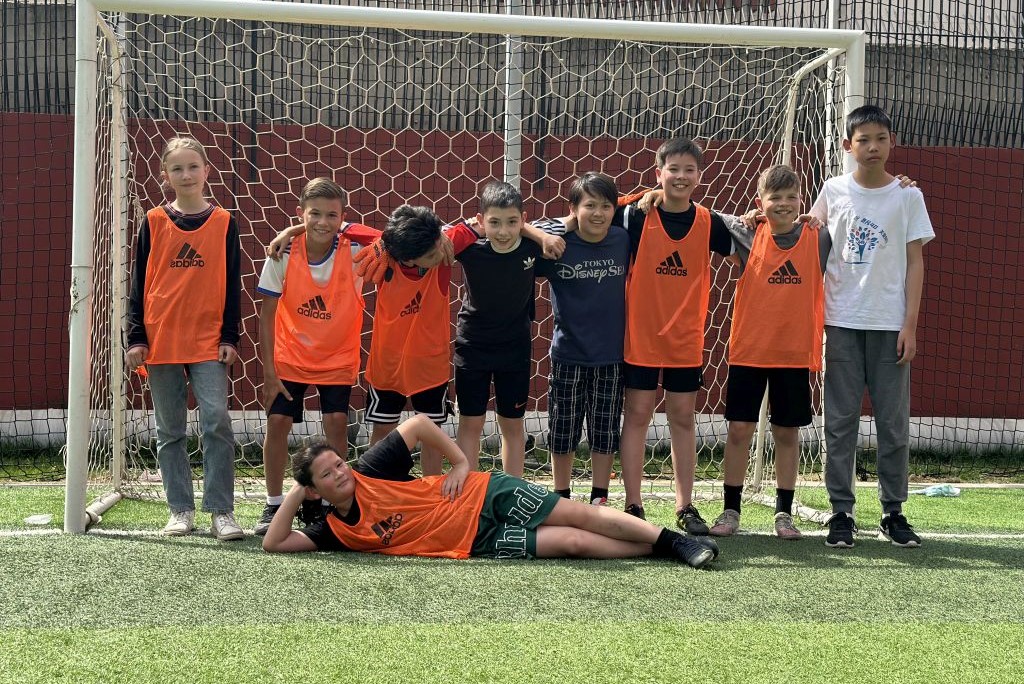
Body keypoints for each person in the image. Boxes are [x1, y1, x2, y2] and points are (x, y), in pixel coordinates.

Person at [261, 414, 720, 568]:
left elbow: (417, 424)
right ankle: (660, 548)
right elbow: (274, 543)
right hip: (476, 541)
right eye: (327, 475)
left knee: (578, 515)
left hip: (480, 494)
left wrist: (461, 462)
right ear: (315, 491)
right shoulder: (333, 532)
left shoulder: (370, 470)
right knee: (573, 543)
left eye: (338, 464)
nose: (341, 474)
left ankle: (674, 541)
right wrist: (297, 491)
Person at [810, 104, 934, 548]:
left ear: (892, 142)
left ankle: (892, 511)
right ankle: (841, 511)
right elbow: (808, 244)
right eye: (863, 139)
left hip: (889, 326)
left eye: (881, 138)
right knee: (839, 423)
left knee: (893, 425)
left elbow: (916, 263)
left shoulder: (908, 197)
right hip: (841, 323)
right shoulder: (832, 190)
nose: (873, 146)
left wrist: (910, 325)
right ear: (849, 145)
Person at [615, 138, 739, 531]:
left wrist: (757, 217)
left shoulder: (709, 222)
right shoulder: (636, 215)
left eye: (689, 170)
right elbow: (595, 206)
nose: (681, 176)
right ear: (659, 173)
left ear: (699, 176)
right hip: (641, 334)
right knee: (637, 414)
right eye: (673, 169)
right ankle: (633, 504)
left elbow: (748, 244)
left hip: (685, 338)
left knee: (682, 417)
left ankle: (685, 507)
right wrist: (643, 195)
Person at [125, 136, 243, 541]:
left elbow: (232, 283)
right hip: (161, 340)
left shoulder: (225, 222)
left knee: (216, 421)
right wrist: (136, 337)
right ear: (165, 176)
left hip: (208, 340)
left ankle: (221, 511)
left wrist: (230, 335)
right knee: (170, 430)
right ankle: (180, 509)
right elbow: (138, 283)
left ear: (207, 171)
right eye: (177, 168)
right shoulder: (153, 220)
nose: (186, 174)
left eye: (193, 166)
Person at [707, 165, 827, 540]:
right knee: (740, 430)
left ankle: (784, 513)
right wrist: (655, 195)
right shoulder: (748, 232)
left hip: (793, 354)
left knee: (786, 434)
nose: (784, 204)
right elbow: (705, 216)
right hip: (749, 351)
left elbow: (856, 216)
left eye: (792, 197)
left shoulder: (818, 236)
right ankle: (731, 509)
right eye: (775, 198)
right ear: (761, 202)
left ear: (802, 200)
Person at [254, 178, 376, 535]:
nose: (323, 222)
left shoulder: (355, 250)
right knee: (278, 423)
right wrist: (269, 372)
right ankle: (273, 503)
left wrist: (294, 228)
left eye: (332, 215)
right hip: (290, 355)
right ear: (300, 213)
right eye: (314, 214)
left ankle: (330, 506)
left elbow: (386, 238)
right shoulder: (282, 253)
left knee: (336, 423)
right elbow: (266, 314)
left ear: (343, 217)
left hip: (337, 356)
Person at [531, 172, 630, 507]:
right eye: (589, 206)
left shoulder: (622, 240)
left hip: (611, 355)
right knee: (563, 428)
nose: (598, 213)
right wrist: (565, 227)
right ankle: (561, 496)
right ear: (573, 209)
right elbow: (525, 229)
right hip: (568, 354)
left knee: (605, 428)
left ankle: (600, 496)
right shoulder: (556, 244)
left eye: (605, 206)